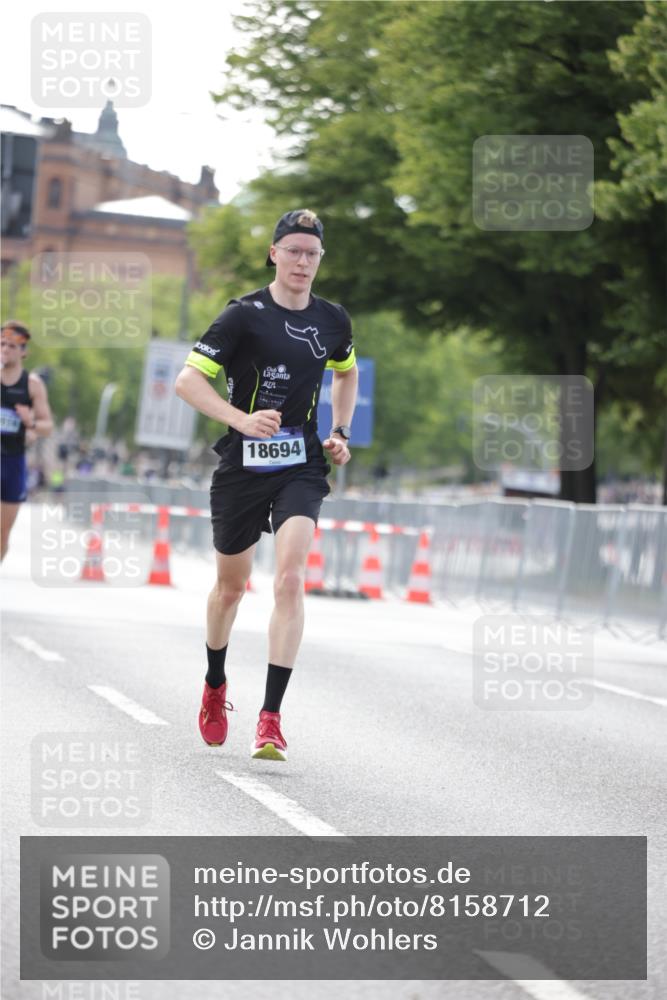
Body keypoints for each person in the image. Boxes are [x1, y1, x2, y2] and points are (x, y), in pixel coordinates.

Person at [175, 209, 358, 760]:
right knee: (231, 588)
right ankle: (214, 686)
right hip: (243, 466)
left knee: (289, 580)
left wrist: (340, 430)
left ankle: (271, 719)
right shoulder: (242, 315)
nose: (303, 261)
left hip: (301, 461)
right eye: (294, 251)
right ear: (274, 254)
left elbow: (347, 371)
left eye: (313, 254)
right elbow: (188, 382)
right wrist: (240, 419)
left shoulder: (332, 320)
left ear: (320, 260)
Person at [1, 321, 54, 560]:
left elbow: (47, 426)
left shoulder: (32, 385)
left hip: (12, 462)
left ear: (23, 352)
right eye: (2, 344)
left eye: (12, 346)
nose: (5, 349)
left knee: (2, 533)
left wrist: (30, 422)